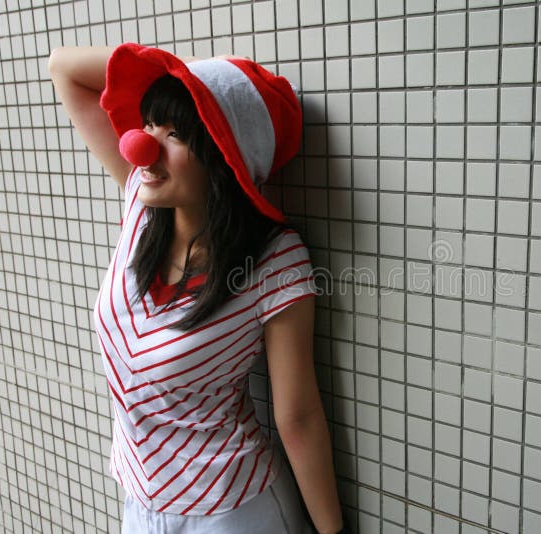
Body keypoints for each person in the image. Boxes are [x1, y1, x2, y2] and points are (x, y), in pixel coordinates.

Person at [48, 43, 348, 534]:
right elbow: (64, 68)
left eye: (175, 134)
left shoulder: (275, 258)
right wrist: (187, 80)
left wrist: (333, 532)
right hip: (139, 503)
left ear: (224, 157)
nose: (141, 147)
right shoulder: (142, 206)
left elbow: (298, 416)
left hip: (232, 510)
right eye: (148, 126)